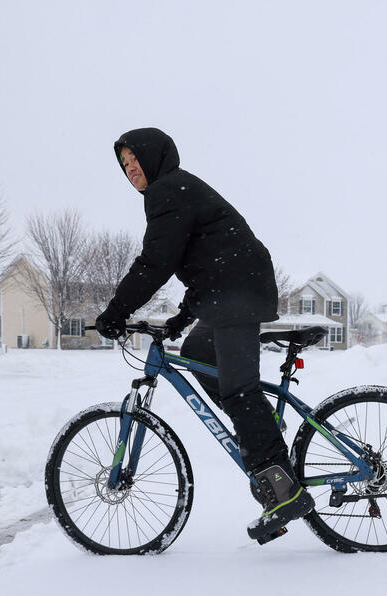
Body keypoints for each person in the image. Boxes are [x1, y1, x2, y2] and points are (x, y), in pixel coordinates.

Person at [94, 127, 314, 543]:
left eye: (135, 160)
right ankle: (259, 427)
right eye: (124, 165)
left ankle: (284, 489)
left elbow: (156, 262)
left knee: (239, 390)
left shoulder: (168, 190)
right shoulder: (175, 190)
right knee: (196, 352)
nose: (130, 170)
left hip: (238, 294)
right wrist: (181, 319)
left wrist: (117, 311)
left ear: (153, 157)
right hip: (231, 289)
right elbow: (208, 262)